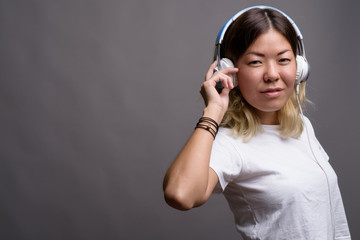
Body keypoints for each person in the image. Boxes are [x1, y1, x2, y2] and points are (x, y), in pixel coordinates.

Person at [163, 5, 351, 240]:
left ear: (299, 67)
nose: (272, 74)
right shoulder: (230, 144)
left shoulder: (302, 127)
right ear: (229, 70)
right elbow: (180, 194)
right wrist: (213, 110)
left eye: (283, 59)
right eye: (255, 62)